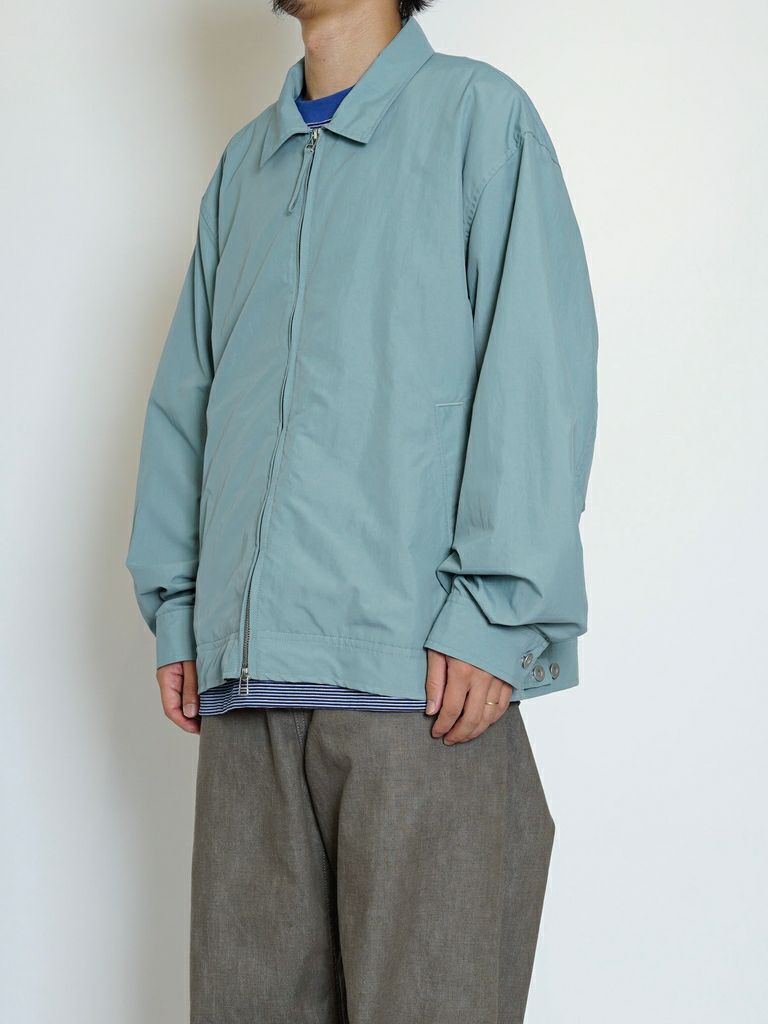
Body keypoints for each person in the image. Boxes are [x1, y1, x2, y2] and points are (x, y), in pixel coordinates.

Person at [126, 1, 598, 1020]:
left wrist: (496, 616)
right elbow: (191, 397)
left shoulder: (479, 119)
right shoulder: (244, 170)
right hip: (249, 694)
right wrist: (181, 606)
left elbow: (536, 371)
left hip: (418, 692)